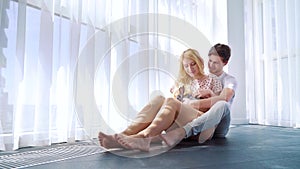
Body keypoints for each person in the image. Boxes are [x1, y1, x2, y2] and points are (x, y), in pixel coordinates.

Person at [98, 48, 222, 151]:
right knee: (159, 99)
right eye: (186, 66)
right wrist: (177, 94)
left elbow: (219, 108)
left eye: (193, 64)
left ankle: (144, 137)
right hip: (180, 125)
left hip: (203, 127)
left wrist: (208, 95)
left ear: (199, 61)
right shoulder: (183, 83)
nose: (190, 69)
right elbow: (171, 107)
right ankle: (124, 135)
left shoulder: (212, 79)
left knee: (171, 102)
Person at [160, 43, 237, 147]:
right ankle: (145, 136)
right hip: (200, 121)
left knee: (223, 104)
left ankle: (184, 131)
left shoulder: (229, 80)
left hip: (218, 125)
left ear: (225, 63)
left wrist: (194, 103)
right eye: (210, 61)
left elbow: (224, 98)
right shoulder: (198, 80)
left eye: (216, 63)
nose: (211, 65)